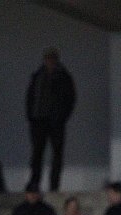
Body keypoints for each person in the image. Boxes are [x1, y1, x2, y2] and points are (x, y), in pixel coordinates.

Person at [25, 47, 76, 192]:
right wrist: (31, 117)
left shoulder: (63, 77)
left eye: (52, 58)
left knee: (56, 154)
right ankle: (35, 183)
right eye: (47, 58)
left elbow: (70, 99)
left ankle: (54, 185)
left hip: (55, 122)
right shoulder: (37, 76)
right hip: (38, 120)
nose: (49, 61)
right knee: (37, 154)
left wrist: (61, 117)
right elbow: (31, 98)